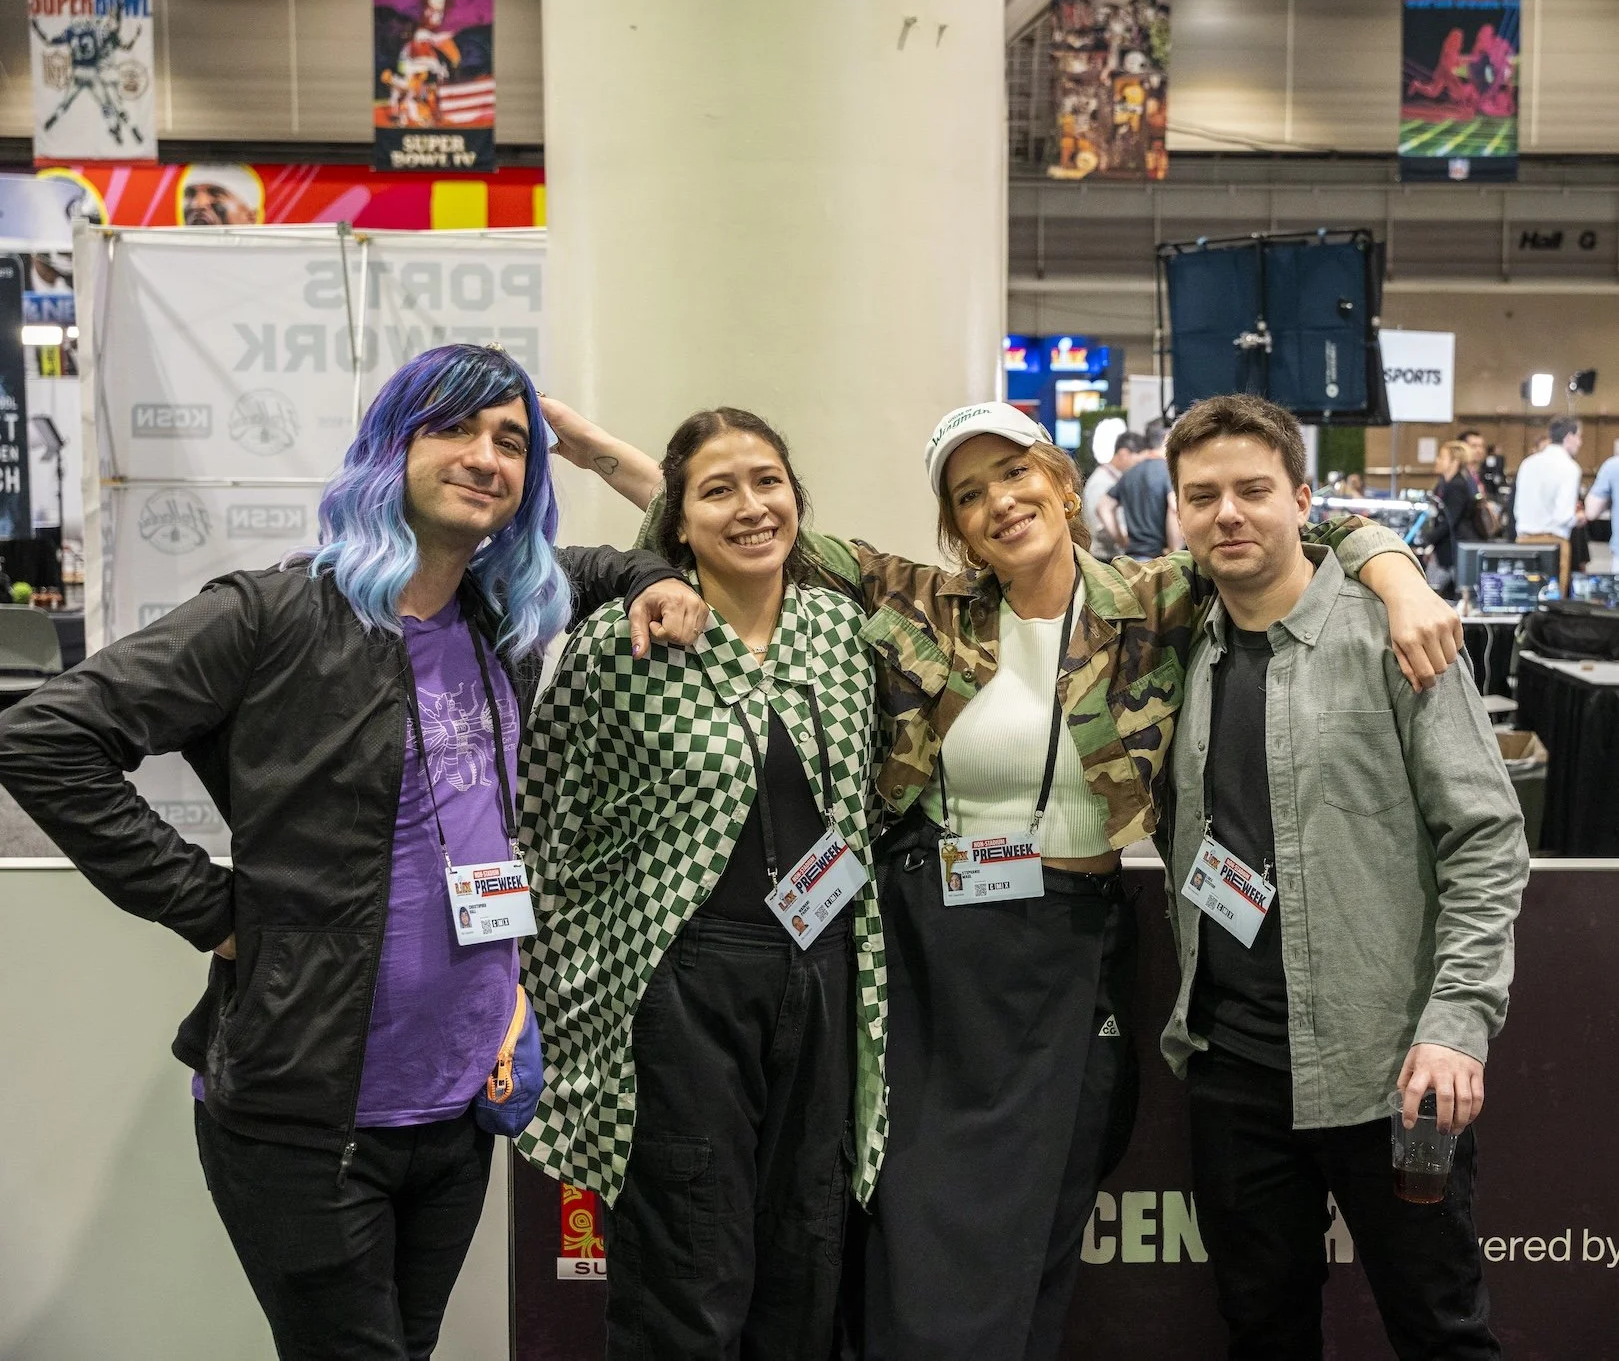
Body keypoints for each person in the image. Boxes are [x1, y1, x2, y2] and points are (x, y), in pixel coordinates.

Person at [539, 394, 1462, 1361]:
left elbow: (1295, 526)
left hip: (1071, 950)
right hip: (932, 953)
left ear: (1061, 484)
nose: (999, 503)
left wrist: (1397, 578)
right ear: (956, 527)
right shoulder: (921, 603)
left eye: (1015, 474)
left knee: (1032, 1236)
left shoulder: (1155, 598)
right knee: (915, 1237)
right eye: (969, 494)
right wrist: (610, 461)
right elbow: (754, 532)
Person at [0, 344, 706, 1361]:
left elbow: (613, 564)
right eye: (452, 429)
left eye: (510, 441)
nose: (485, 457)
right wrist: (210, 909)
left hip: (460, 1101)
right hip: (311, 1110)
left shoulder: (500, 613)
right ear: (390, 448)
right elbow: (43, 738)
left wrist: (651, 574)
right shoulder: (274, 614)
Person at [1160, 394, 1527, 1361]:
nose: (1227, 514)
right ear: (1178, 513)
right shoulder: (1175, 642)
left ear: (1301, 501)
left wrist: (1455, 1024)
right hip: (1234, 1071)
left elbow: (1485, 838)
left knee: (1441, 1330)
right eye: (1202, 496)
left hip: (1391, 1070)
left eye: (1252, 490)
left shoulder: (1394, 637)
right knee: (1261, 1332)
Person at [517, 408, 885, 1361]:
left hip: (825, 973)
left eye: (768, 483)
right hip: (681, 986)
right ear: (677, 522)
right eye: (717, 492)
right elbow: (546, 827)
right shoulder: (622, 642)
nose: (751, 507)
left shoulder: (842, 632)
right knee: (687, 1269)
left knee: (805, 1255)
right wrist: (545, 984)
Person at [1513, 415, 1584, 593]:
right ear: (1569, 437)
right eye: (1579, 437)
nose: (1580, 443)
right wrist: (1579, 518)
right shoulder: (1570, 467)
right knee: (1552, 600)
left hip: (1523, 541)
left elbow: (1517, 509)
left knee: (1523, 596)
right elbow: (1563, 516)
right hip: (1553, 543)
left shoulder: (1527, 463)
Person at [1098, 420, 1181, 559]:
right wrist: (1175, 551)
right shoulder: (1168, 472)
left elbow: (1103, 506)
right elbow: (1174, 509)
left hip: (1131, 559)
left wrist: (1121, 540)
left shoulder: (1129, 473)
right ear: (1167, 439)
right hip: (1158, 559)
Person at [1425, 440, 1480, 597]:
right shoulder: (1445, 484)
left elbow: (1449, 521)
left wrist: (1426, 539)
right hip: (1447, 549)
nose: (1437, 460)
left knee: (1435, 591)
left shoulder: (1457, 485)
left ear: (1454, 462)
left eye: (1442, 457)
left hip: (1454, 549)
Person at [1080, 430, 1143, 559]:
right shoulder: (1101, 482)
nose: (1138, 467)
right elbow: (1099, 528)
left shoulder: (1115, 479)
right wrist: (1125, 541)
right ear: (1124, 454)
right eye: (1137, 462)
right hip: (1104, 558)